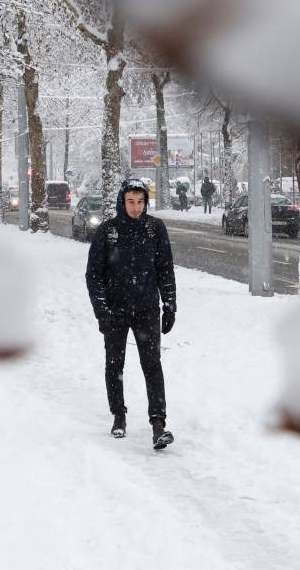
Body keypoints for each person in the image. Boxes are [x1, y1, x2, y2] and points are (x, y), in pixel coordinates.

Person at [84, 178, 176, 450]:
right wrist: (102, 311)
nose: (136, 208)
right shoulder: (108, 232)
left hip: (146, 308)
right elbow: (94, 275)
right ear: (122, 203)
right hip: (115, 310)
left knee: (152, 365)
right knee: (115, 365)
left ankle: (158, 424)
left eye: (140, 202)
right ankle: (118, 415)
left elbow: (165, 269)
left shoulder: (155, 229)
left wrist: (169, 305)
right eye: (130, 202)